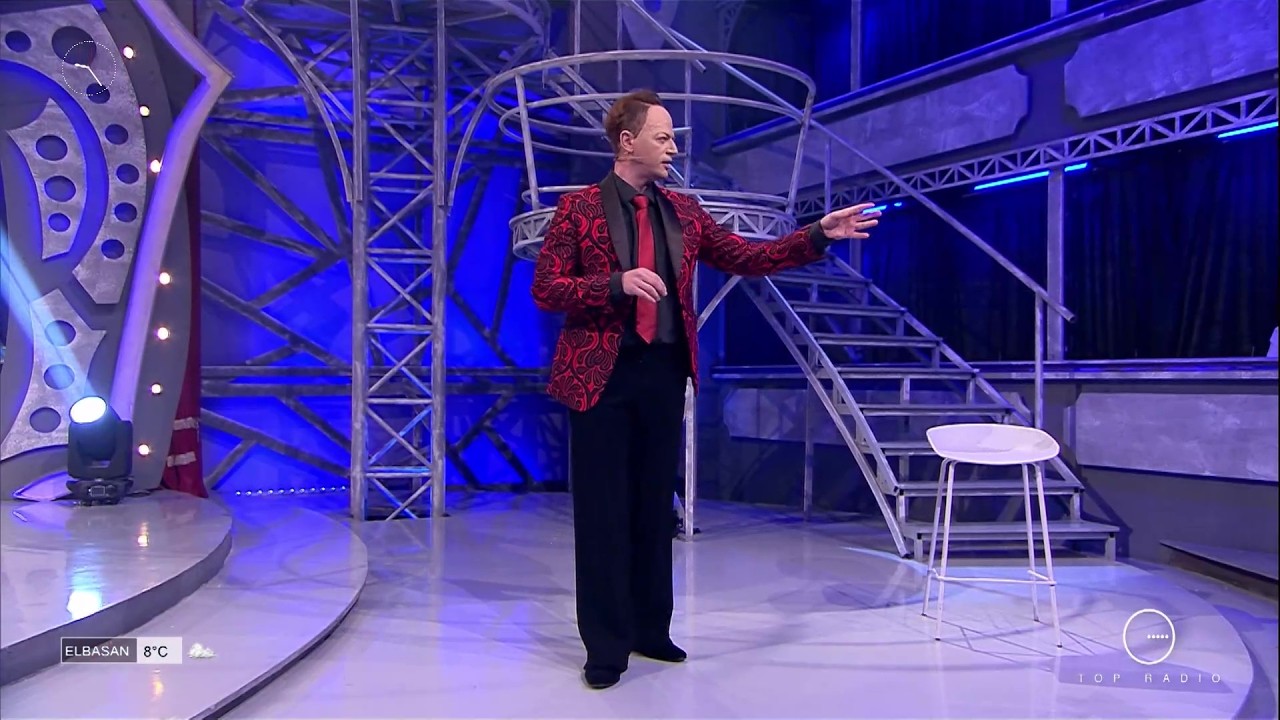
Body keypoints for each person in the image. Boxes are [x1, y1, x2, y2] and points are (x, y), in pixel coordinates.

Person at [530, 89, 882, 690]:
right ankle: (606, 646)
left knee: (653, 509)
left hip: (664, 375)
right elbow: (547, 287)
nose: (674, 148)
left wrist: (817, 234)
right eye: (663, 137)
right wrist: (614, 283)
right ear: (627, 143)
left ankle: (649, 629)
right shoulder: (579, 209)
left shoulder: (685, 212)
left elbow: (748, 256)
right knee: (604, 513)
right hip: (600, 378)